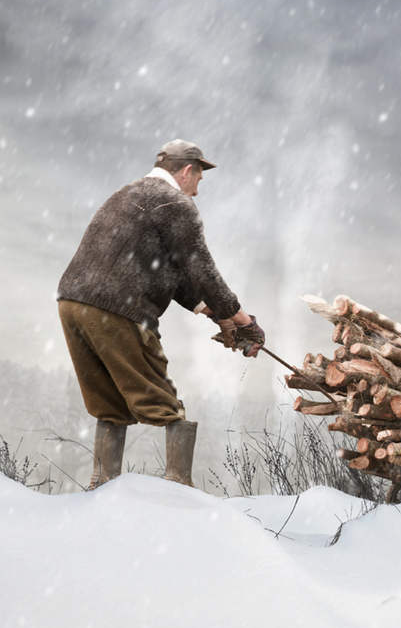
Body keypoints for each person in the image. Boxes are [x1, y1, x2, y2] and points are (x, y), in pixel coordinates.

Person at [57, 139, 264, 490]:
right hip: (117, 309)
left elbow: (174, 272)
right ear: (187, 171)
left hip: (72, 302)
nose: (198, 190)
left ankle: (100, 486)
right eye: (199, 178)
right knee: (161, 398)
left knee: (109, 402)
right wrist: (241, 317)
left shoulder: (127, 194)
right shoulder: (175, 203)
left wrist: (214, 312)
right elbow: (201, 268)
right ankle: (178, 489)